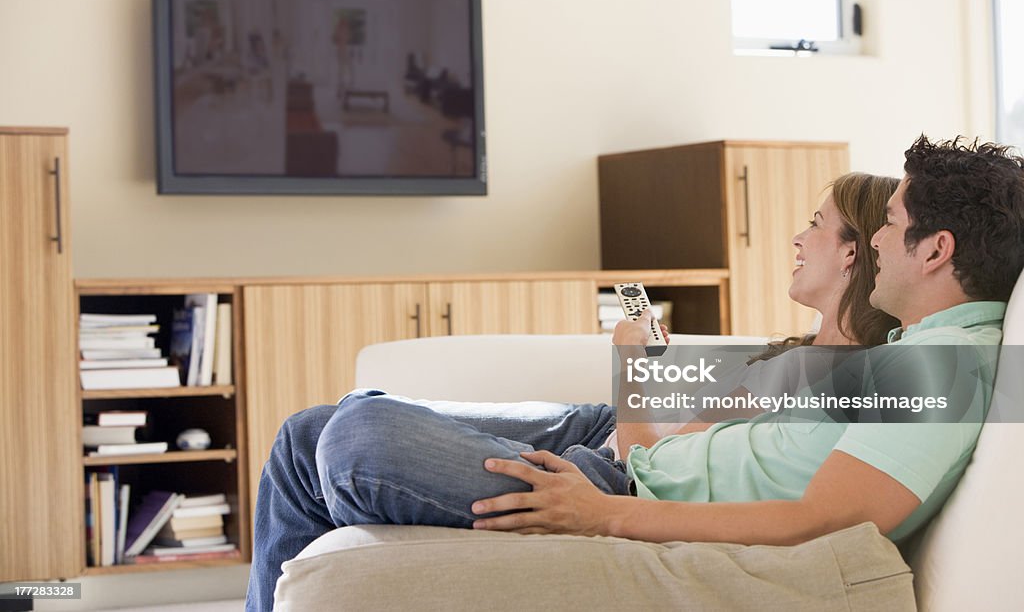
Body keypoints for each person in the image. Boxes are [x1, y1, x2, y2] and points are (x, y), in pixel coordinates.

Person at [247, 138, 1024, 610]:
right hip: (629, 475)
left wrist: (605, 515)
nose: (880, 241)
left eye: (891, 224)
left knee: (354, 435)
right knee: (306, 436)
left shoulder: (943, 369)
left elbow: (827, 521)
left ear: (937, 249)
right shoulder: (921, 350)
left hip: (623, 494)